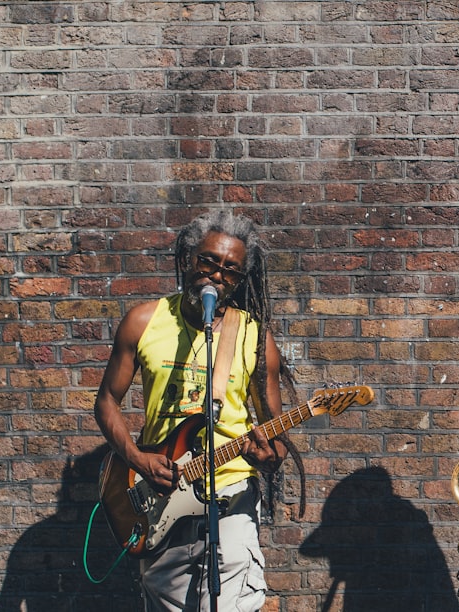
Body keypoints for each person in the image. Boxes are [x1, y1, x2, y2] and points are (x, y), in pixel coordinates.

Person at [94, 210, 290, 612]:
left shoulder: (253, 337)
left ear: (240, 278)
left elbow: (277, 438)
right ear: (188, 259)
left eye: (230, 270)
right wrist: (136, 458)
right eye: (209, 262)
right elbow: (106, 402)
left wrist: (268, 456)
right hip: (163, 497)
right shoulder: (144, 321)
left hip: (232, 498)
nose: (217, 276)